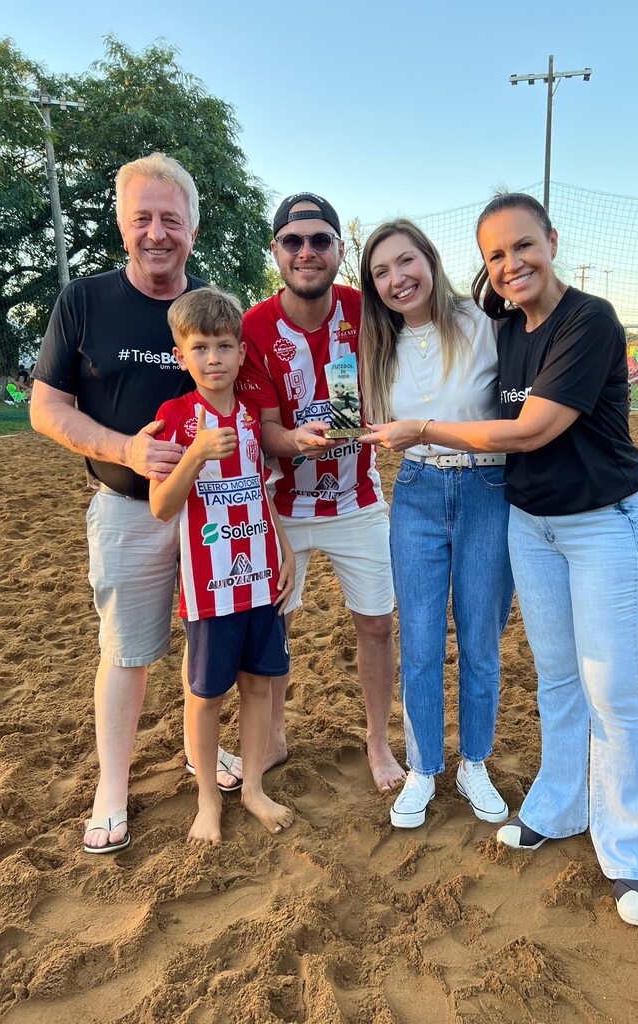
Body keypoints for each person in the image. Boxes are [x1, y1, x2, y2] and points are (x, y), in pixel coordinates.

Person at [362, 192, 638, 927]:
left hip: (602, 521)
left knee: (613, 689)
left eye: (522, 247)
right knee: (560, 678)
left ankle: (632, 855)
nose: (511, 264)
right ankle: (559, 807)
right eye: (496, 255)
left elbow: (532, 431)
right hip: (532, 523)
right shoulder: (510, 326)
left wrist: (425, 430)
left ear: (552, 241)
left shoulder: (587, 319)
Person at [31, 153, 241, 854]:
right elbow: (45, 407)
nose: (157, 233)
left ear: (193, 227)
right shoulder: (84, 301)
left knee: (208, 637)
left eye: (171, 220)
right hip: (127, 507)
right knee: (127, 651)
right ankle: (112, 786)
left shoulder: (212, 306)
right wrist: (124, 450)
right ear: (122, 225)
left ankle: (198, 753)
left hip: (214, 510)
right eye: (142, 218)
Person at [238, 193, 404, 794]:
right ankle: (275, 736)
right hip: (282, 506)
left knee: (378, 624)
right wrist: (295, 439)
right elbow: (261, 428)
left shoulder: (369, 311)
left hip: (359, 498)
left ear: (339, 249)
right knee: (272, 626)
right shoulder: (253, 327)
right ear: (277, 250)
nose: (307, 252)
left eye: (320, 241)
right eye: (293, 241)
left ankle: (378, 741)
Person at [358, 219, 514, 829]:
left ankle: (474, 761)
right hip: (418, 491)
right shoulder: (380, 344)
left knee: (480, 639)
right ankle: (424, 768)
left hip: (485, 487)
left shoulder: (484, 324)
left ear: (429, 258)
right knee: (420, 640)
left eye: (405, 262)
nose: (397, 280)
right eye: (381, 272)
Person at [150, 288, 295, 843]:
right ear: (181, 355)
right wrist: (193, 455)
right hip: (208, 587)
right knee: (206, 695)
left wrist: (281, 550)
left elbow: (261, 490)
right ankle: (209, 798)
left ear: (240, 353)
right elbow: (163, 506)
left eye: (225, 346)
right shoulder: (175, 417)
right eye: (201, 347)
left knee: (260, 685)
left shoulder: (254, 420)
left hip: (259, 578)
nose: (213, 358)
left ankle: (253, 788)